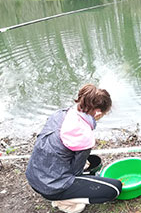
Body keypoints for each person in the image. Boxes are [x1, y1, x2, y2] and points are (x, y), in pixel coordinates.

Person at [26, 84, 122, 213]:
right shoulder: (83, 135)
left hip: (34, 176)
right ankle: (64, 201)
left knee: (93, 161)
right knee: (115, 188)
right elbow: (76, 172)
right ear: (98, 112)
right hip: (51, 186)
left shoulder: (61, 114)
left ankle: (61, 193)